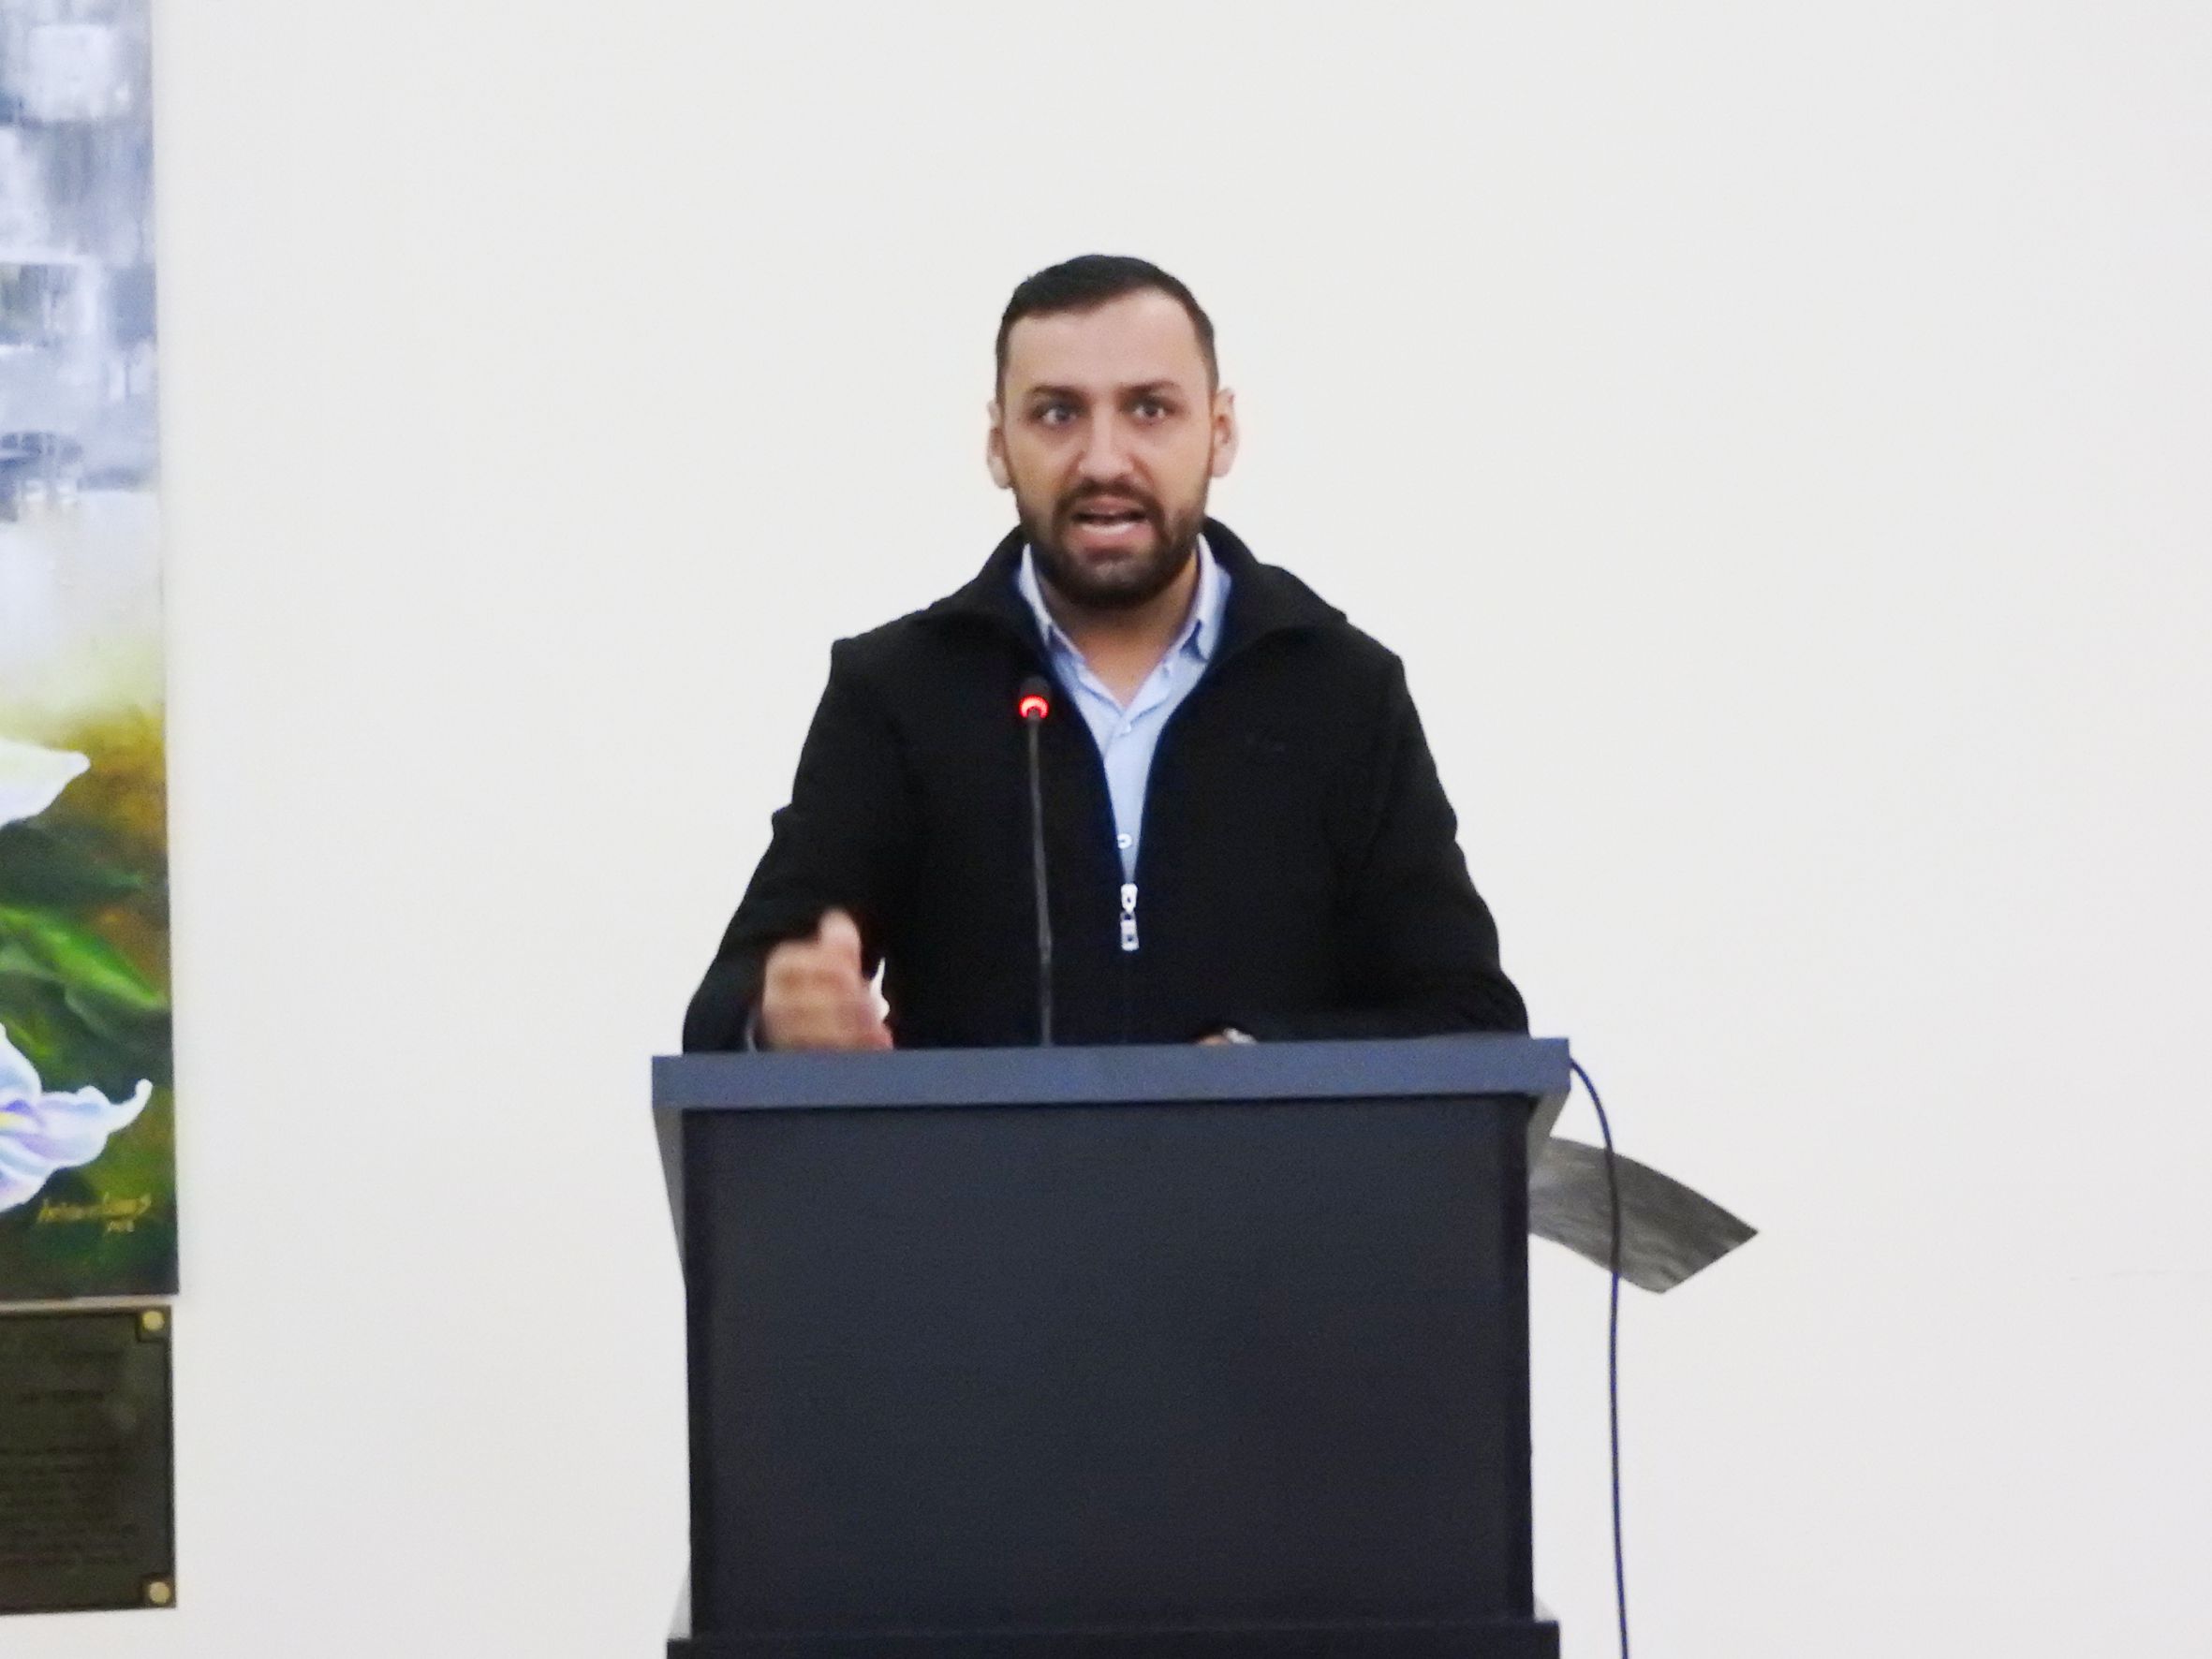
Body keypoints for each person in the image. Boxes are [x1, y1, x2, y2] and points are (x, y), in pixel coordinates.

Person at [683, 255, 1525, 1052]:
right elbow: (723, 1012)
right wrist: (777, 1017)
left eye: (1149, 410)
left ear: (1220, 432)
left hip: (1270, 1168)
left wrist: (1253, 1065)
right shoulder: (899, 693)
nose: (1104, 460)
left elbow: (1471, 1021)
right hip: (982, 1169)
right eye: (1058, 414)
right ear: (998, 444)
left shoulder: (1339, 691)